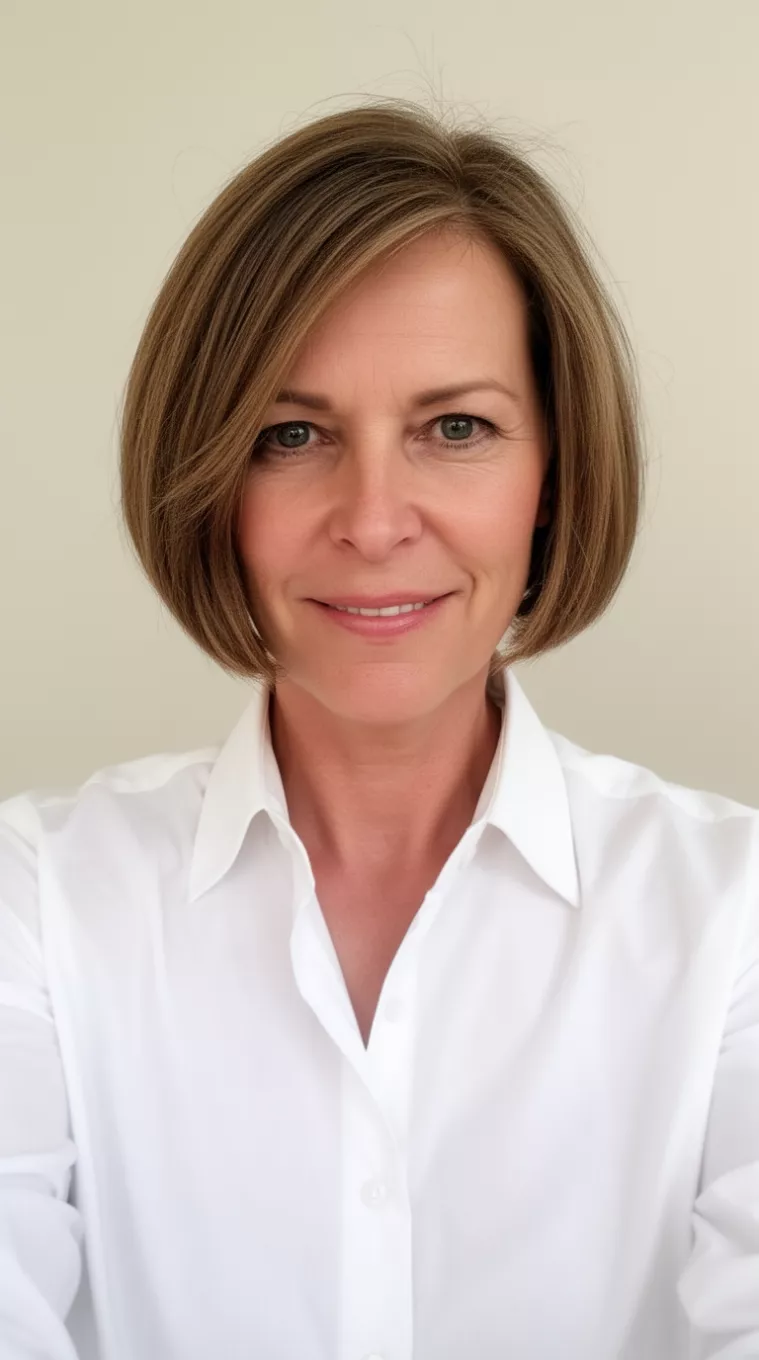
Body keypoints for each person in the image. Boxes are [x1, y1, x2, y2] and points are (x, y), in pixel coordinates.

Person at [0, 97, 757, 1360]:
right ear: (209, 482)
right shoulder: (39, 903)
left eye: (454, 428)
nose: (372, 516)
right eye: (290, 435)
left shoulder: (737, 917)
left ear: (552, 477)